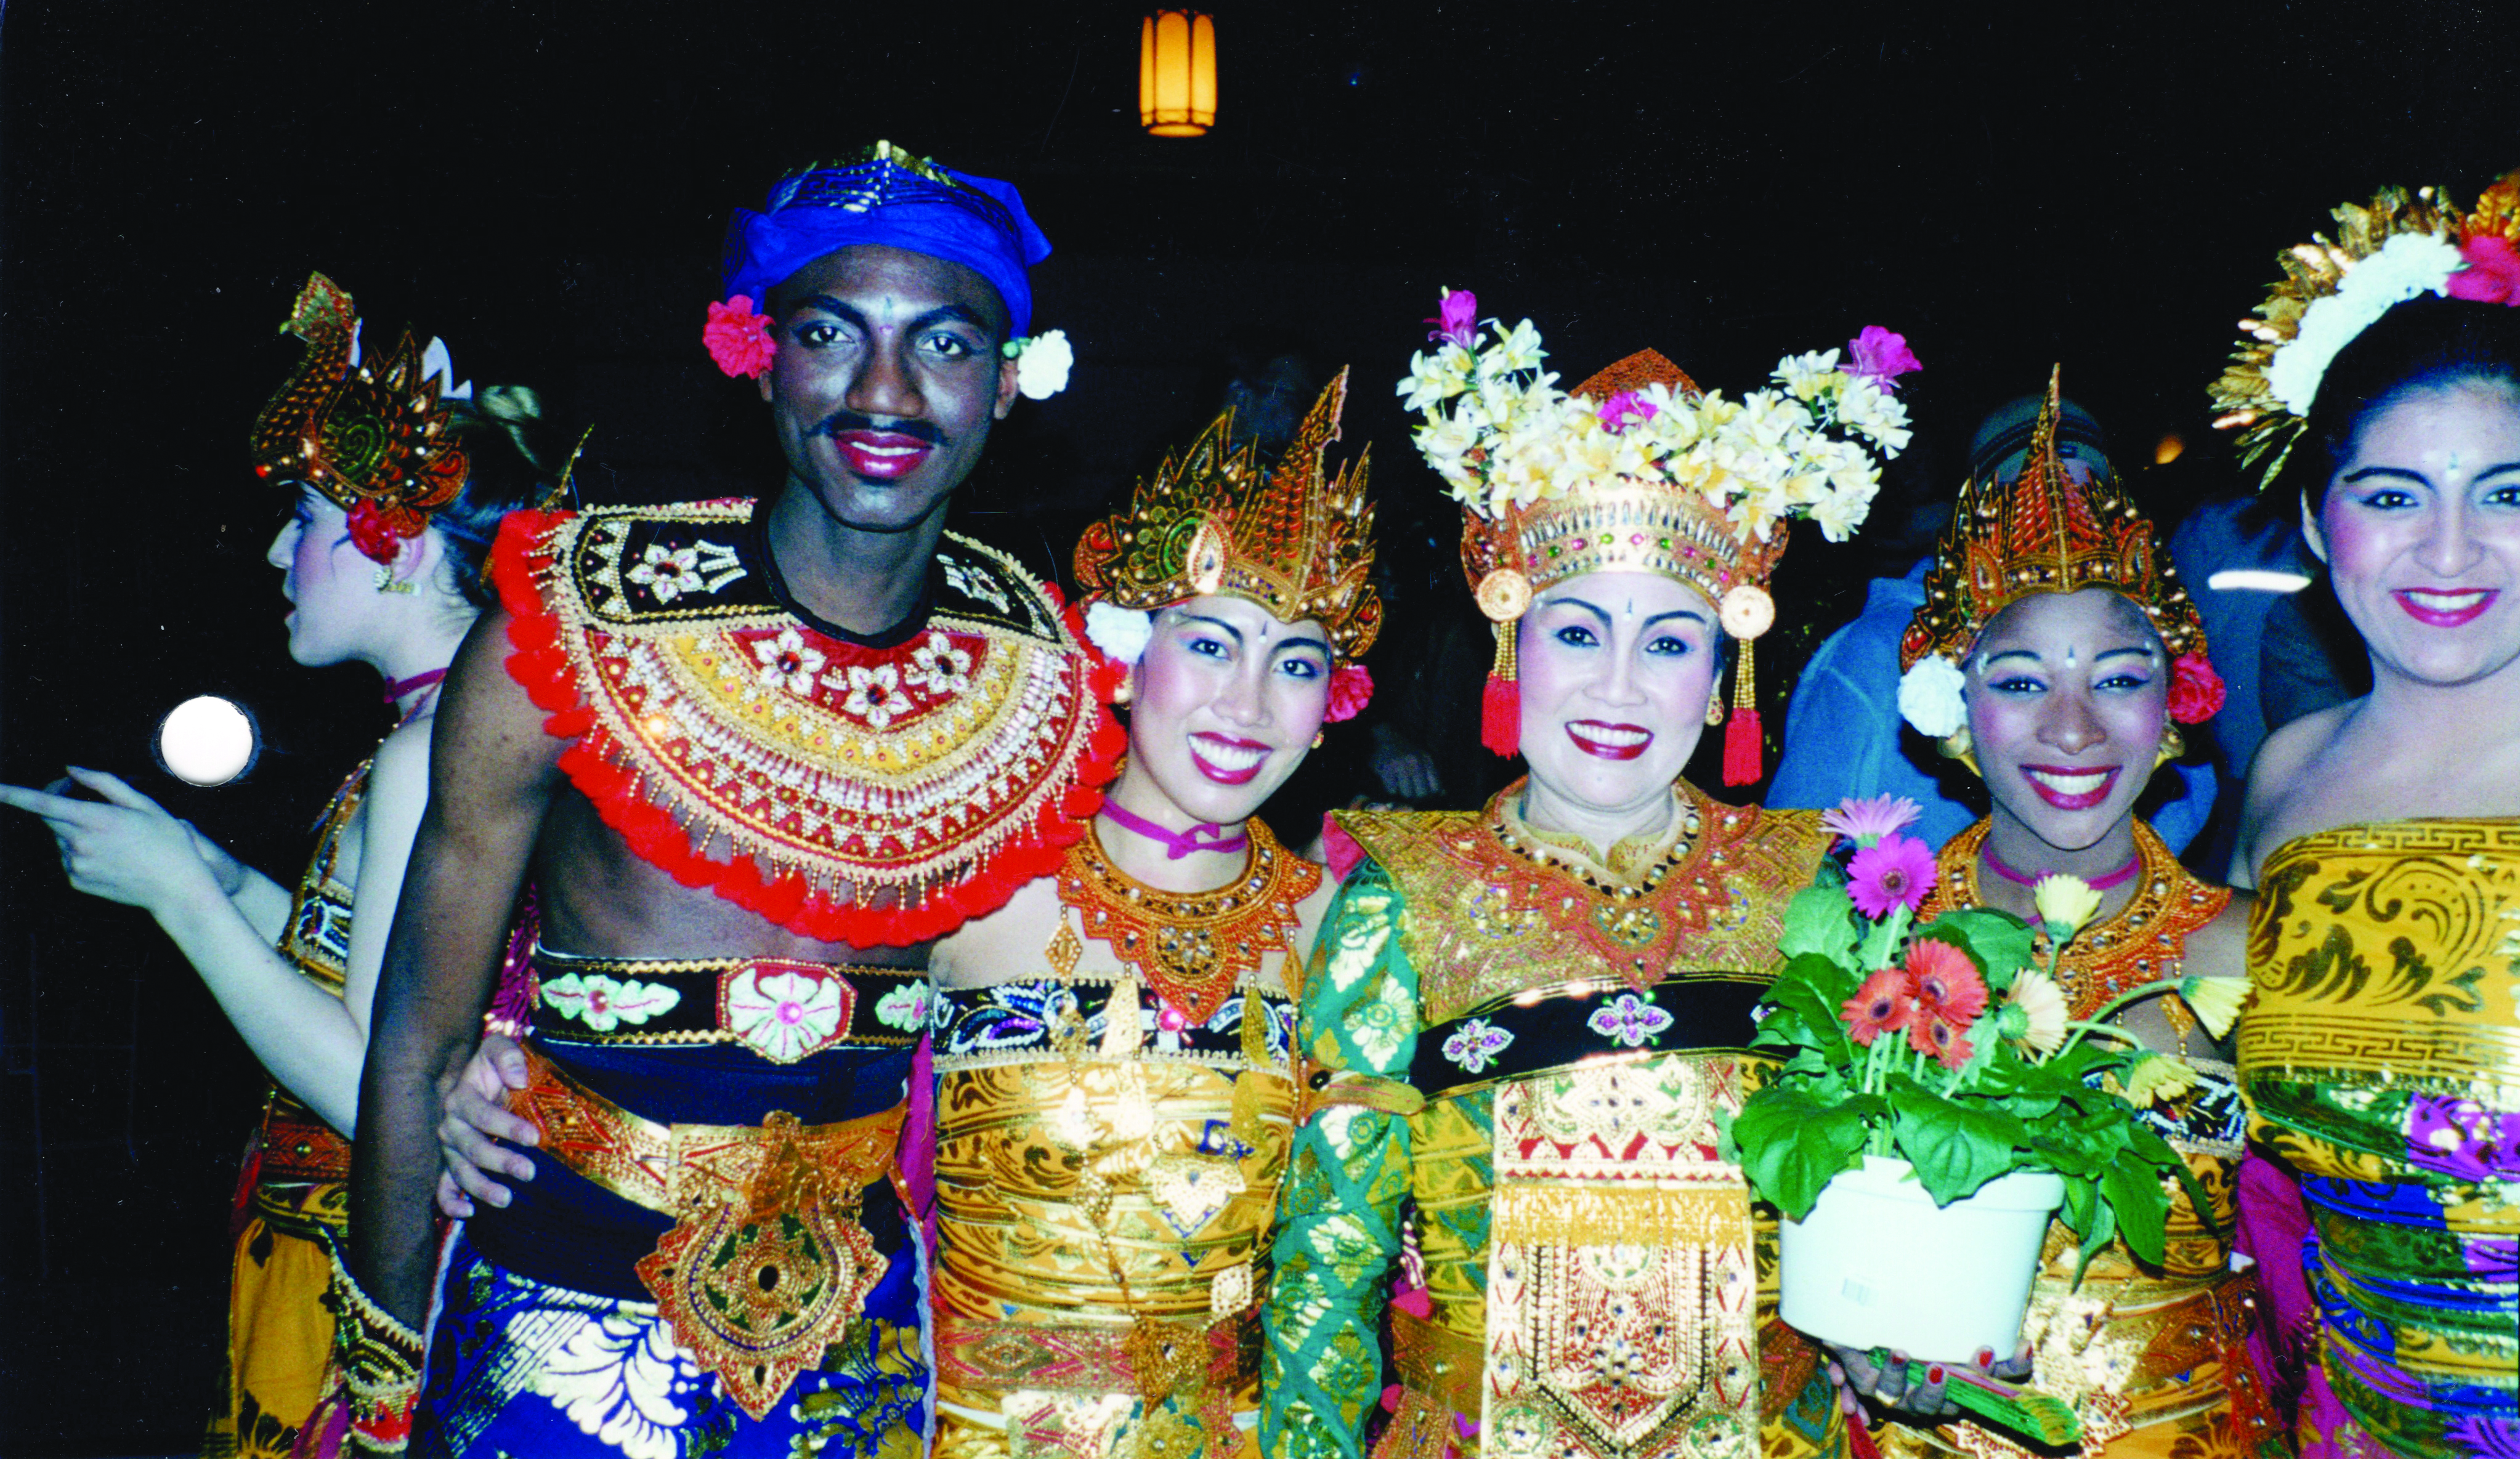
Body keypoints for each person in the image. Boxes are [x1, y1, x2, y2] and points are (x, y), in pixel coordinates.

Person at [335, 142, 1122, 1458]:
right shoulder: (571, 622)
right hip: (554, 1322)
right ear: (757, 349)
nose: (885, 390)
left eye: (942, 343)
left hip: (860, 1358)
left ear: (1006, 383)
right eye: (831, 332)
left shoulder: (1041, 662)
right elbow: (415, 1045)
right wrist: (376, 1396)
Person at [436, 374, 1384, 1457]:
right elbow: (728, 973)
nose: (1247, 704)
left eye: (1296, 662)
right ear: (1123, 652)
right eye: (1210, 644)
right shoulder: (965, 859)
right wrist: (506, 1058)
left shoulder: (1351, 924)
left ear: (1332, 706)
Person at [1262, 297, 1916, 1459]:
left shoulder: (1815, 884)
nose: (1617, 687)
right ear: (1512, 642)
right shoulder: (1400, 893)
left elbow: (1880, 1198)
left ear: (1723, 676)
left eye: (1669, 642)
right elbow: (1331, 1256)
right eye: (1578, 633)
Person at [0, 273, 554, 1459]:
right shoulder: (431, 735)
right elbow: (367, 961)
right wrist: (216, 868)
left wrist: (186, 898)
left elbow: (380, 1086)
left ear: (394, 547)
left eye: (301, 515)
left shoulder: (426, 755)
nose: (273, 549)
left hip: (364, 1257)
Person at [1858, 373, 2285, 1457]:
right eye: (2018, 681)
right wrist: (1842, 1333)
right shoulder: (1863, 939)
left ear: (2174, 699)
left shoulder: (2251, 945)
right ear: (1954, 703)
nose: (2073, 727)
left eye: (2117, 675)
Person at [2216, 176, 2520, 1458]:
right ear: (2309, 519)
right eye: (2391, 495)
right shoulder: (2288, 770)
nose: (2444, 552)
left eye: (2504, 493)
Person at [1770, 392, 2218, 855]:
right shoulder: (1880, 646)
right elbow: (1795, 842)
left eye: (2086, 492)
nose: (2059, 516)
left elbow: (2184, 803)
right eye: (2025, 498)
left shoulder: (2149, 637)